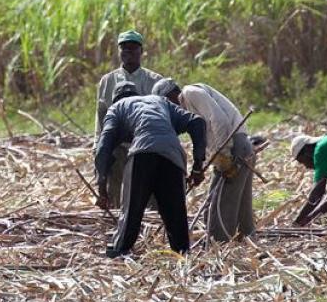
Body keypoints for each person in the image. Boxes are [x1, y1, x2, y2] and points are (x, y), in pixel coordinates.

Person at [95, 83, 207, 257]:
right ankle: (182, 255)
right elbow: (197, 122)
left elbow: (103, 149)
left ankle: (120, 251)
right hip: (173, 156)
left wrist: (102, 189)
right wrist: (198, 167)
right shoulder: (160, 101)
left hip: (142, 153)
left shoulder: (116, 108)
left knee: (131, 209)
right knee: (175, 212)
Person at [152, 78, 255, 242]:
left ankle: (219, 244)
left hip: (235, 146)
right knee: (237, 201)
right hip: (233, 148)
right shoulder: (186, 108)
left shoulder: (190, 93)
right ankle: (247, 240)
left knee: (222, 201)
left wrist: (226, 155)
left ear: (172, 94)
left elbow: (219, 120)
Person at [94, 30, 163, 205]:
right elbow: (101, 117)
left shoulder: (154, 81)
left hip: (146, 147)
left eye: (133, 48)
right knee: (117, 197)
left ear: (141, 51)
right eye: (124, 48)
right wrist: (98, 147)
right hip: (117, 148)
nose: (128, 52)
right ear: (119, 51)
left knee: (149, 199)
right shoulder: (107, 81)